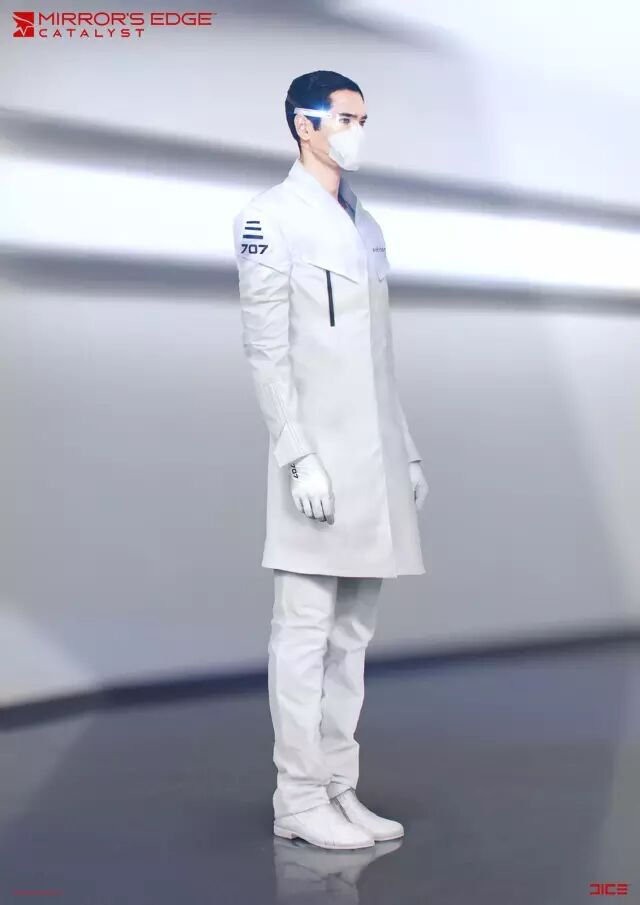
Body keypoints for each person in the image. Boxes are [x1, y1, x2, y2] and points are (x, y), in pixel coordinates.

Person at [232, 70, 429, 850]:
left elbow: (380, 354)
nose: (357, 131)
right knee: (304, 630)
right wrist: (296, 456)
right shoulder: (269, 218)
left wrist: (405, 450)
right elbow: (265, 350)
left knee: (352, 635)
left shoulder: (365, 222)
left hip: (373, 460)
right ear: (303, 125)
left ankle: (338, 787)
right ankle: (298, 796)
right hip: (316, 462)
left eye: (363, 118)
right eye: (346, 118)